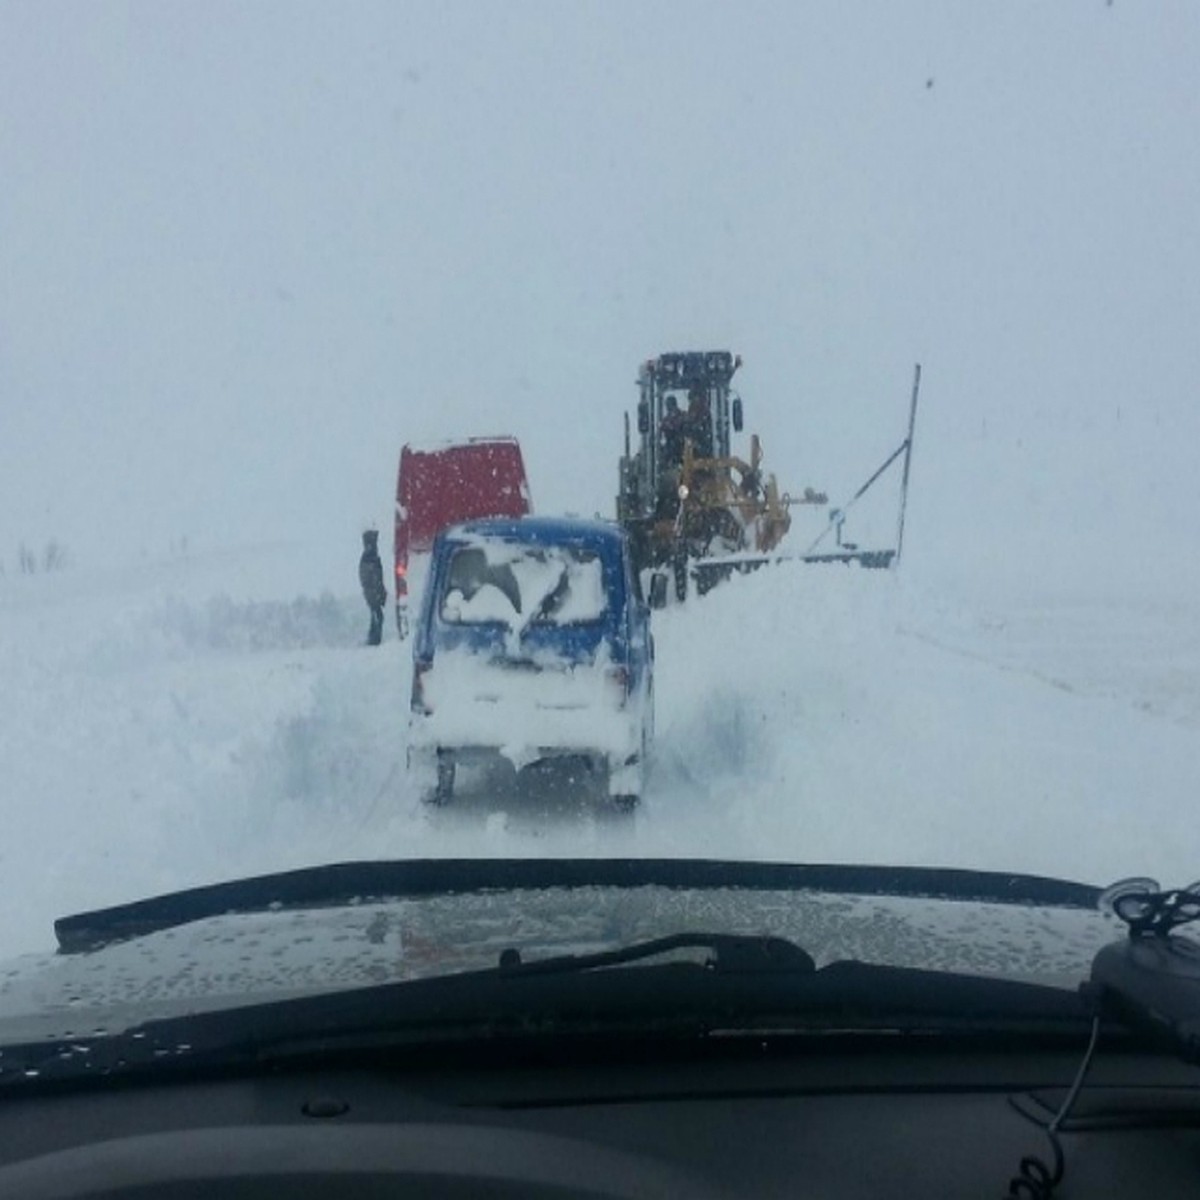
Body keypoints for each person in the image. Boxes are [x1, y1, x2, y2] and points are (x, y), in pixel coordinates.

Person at [359, 529, 387, 645]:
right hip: (372, 592)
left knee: (376, 615)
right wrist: (378, 590)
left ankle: (374, 638)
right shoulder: (370, 557)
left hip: (372, 591)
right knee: (377, 615)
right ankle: (374, 639)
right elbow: (373, 577)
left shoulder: (370, 557)